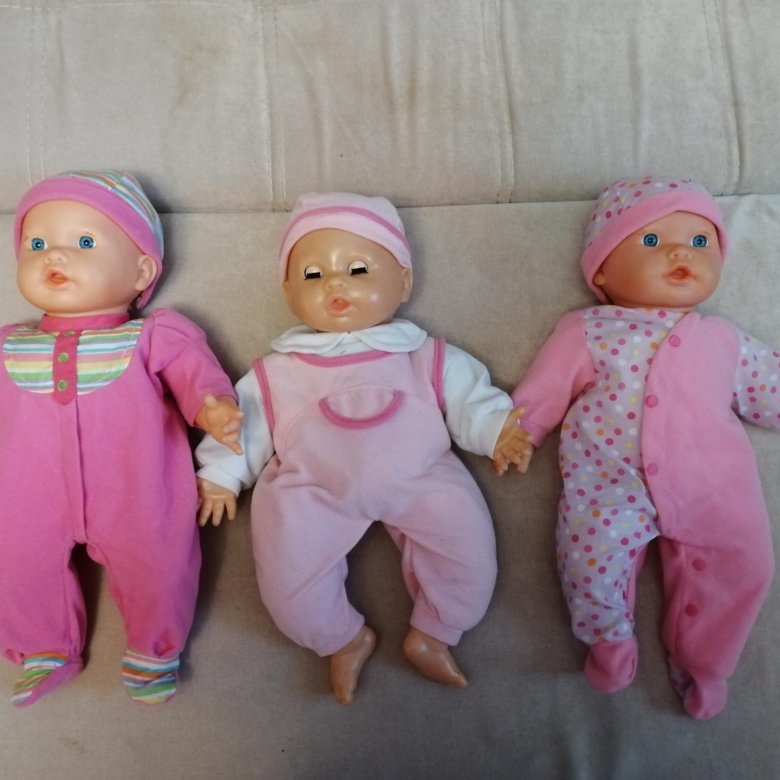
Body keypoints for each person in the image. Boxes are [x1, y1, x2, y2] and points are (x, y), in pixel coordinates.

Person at [196, 192, 530, 704]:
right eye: (312, 275)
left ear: (404, 282)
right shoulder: (277, 373)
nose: (335, 284)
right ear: (288, 292)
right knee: (287, 578)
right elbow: (242, 425)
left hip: (423, 479)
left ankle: (436, 632)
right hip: (311, 491)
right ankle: (342, 639)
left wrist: (497, 429)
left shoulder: (423, 356)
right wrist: (221, 474)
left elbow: (470, 397)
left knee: (468, 553)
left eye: (357, 270)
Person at [510, 175, 776, 719]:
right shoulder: (589, 329)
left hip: (713, 487)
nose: (682, 252)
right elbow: (545, 388)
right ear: (601, 270)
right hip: (610, 486)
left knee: (745, 564)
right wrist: (519, 430)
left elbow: (770, 387)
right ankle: (608, 638)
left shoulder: (724, 341)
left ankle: (706, 663)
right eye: (652, 240)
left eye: (700, 242)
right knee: (587, 561)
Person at [2, 171, 243, 707]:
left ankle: (154, 650)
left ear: (141, 271)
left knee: (159, 561)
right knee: (12, 558)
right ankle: (42, 647)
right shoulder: (9, 345)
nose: (54, 255)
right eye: (36, 245)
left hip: (136, 491)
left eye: (84, 242)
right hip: (25, 495)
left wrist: (214, 408)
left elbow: (196, 377)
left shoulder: (153, 336)